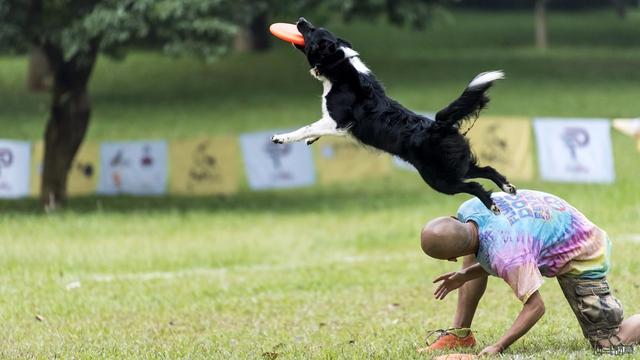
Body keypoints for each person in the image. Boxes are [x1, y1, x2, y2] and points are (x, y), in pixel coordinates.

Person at [418, 189, 640, 356]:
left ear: (450, 258)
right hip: (553, 222)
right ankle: (460, 334)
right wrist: (465, 275)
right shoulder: (471, 208)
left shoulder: (508, 254)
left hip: (583, 249)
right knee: (473, 248)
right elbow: (488, 248)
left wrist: (499, 345)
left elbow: (536, 307)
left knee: (610, 345)